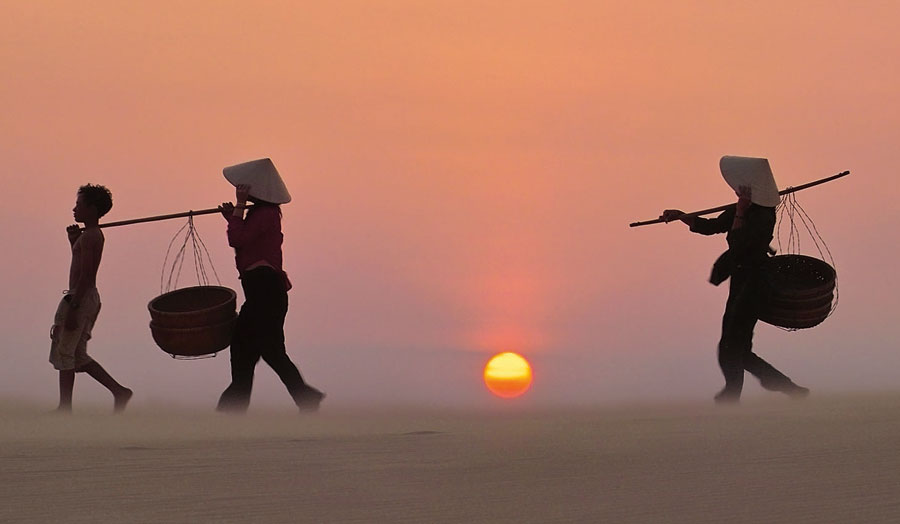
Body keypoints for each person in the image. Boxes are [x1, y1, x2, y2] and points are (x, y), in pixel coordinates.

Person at [661, 156, 809, 403]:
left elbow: (739, 246)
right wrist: (682, 216)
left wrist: (740, 213)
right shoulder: (744, 207)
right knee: (738, 349)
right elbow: (711, 227)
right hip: (741, 282)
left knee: (732, 347)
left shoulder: (763, 214)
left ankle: (735, 396)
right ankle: (787, 389)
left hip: (754, 282)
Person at [216, 158, 325, 412]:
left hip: (264, 291)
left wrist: (239, 208)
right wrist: (234, 214)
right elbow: (243, 238)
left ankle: (233, 410)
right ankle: (236, 408)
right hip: (261, 291)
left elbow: (237, 239)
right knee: (251, 350)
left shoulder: (265, 214)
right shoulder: (262, 214)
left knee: (261, 350)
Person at [50, 184, 132, 412]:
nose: (74, 209)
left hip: (81, 296)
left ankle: (64, 407)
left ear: (92, 209)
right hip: (82, 295)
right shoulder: (88, 236)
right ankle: (119, 391)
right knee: (76, 354)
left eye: (79, 205)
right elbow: (79, 265)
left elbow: (87, 274)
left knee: (65, 351)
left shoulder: (92, 237)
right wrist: (73, 241)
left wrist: (74, 307)